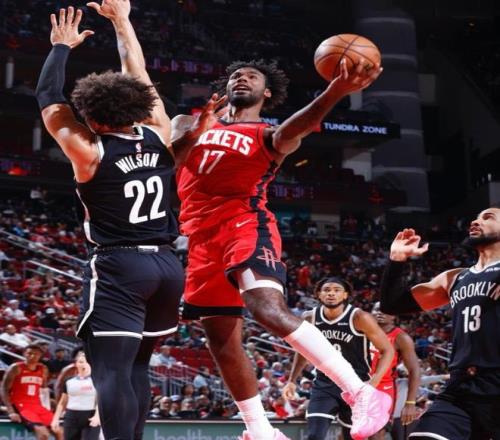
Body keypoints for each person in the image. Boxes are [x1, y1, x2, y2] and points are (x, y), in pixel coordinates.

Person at [171, 41, 390, 440]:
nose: (242, 78)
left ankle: (360, 391)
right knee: (220, 338)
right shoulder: (190, 122)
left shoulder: (268, 134)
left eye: (252, 76)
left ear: (266, 92)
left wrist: (335, 91)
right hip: (200, 238)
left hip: (244, 225)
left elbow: (299, 126)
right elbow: (168, 162)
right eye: (237, 75)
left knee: (266, 308)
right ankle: (261, 431)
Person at [35, 5, 185, 439]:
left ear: (92, 115)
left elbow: (48, 96)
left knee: (111, 371)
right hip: (167, 266)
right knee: (138, 367)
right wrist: (122, 21)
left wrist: (60, 48)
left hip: (121, 266)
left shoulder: (89, 149)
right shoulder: (158, 132)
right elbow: (138, 71)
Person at [380, 215, 500, 440]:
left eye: (488, 217)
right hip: (460, 387)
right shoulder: (454, 278)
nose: (475, 221)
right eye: (475, 218)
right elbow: (392, 304)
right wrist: (396, 260)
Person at [282, 277, 394, 440]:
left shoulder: (360, 317)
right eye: (327, 290)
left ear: (345, 295)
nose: (331, 294)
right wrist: (292, 380)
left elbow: (387, 350)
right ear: (318, 294)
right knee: (314, 435)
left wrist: (374, 382)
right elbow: (302, 350)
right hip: (324, 385)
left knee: (352, 437)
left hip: (355, 385)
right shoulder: (310, 317)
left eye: (336, 290)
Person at [369, 302, 420, 440]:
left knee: (376, 433)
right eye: (377, 309)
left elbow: (414, 370)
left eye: (386, 310)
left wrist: (410, 403)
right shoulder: (361, 332)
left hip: (383, 390)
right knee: (348, 432)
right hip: (358, 386)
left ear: (394, 316)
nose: (380, 313)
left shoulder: (401, 338)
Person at [0, 343, 63, 440]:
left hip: (37, 405)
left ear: (40, 356)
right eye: (29, 353)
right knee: (43, 434)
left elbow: (44, 390)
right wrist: (11, 411)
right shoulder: (16, 368)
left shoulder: (43, 369)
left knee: (59, 431)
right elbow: (4, 389)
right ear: (24, 354)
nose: (32, 356)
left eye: (36, 354)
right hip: (21, 405)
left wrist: (47, 406)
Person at [51, 352, 100, 440]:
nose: (84, 364)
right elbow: (62, 402)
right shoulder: (69, 381)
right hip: (71, 417)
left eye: (87, 362)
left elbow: (100, 401)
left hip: (90, 417)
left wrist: (97, 416)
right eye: (81, 362)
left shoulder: (97, 381)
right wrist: (55, 419)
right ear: (76, 364)